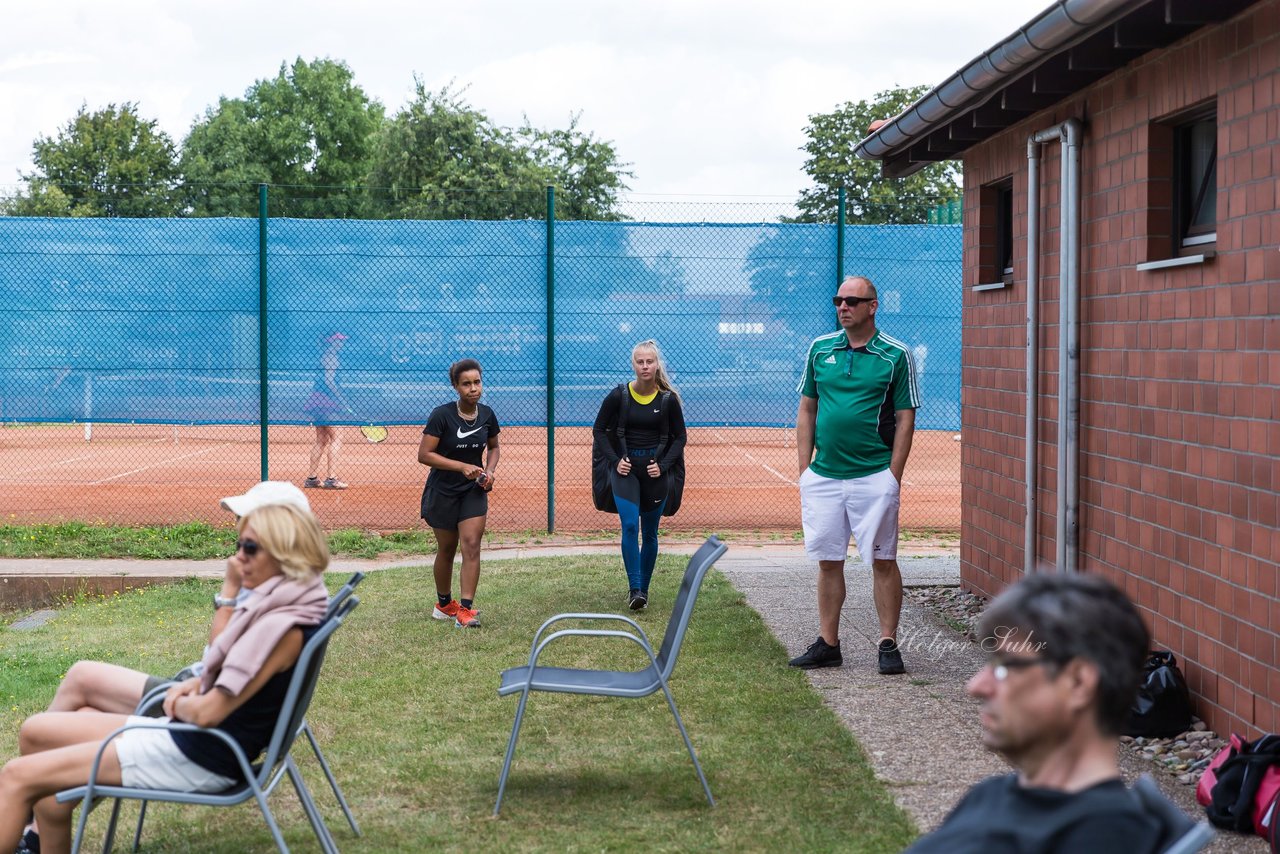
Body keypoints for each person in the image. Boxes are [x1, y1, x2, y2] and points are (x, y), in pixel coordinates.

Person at [0, 502, 330, 854]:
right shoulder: (290, 604)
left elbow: (208, 714)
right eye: (238, 545)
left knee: (16, 776)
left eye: (249, 548)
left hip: (199, 752)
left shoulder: (279, 627)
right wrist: (195, 686)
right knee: (44, 769)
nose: (238, 557)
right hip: (200, 742)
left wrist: (177, 701)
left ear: (284, 553)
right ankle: (36, 837)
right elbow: (230, 678)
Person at [904, 572, 1165, 853]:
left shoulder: (1103, 838)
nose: (976, 686)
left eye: (1006, 667)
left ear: (1078, 683)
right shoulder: (989, 795)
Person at [44, 481, 313, 716]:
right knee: (83, 713)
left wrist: (229, 591)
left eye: (245, 521)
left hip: (196, 699)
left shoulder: (268, 593)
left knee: (80, 678)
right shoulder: (288, 588)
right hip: (197, 690)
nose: (238, 529)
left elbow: (215, 662)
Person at [789, 275, 919, 674]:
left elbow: (905, 417)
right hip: (824, 477)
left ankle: (887, 643)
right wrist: (805, 471)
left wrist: (892, 476)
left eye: (852, 301)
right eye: (838, 300)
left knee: (882, 560)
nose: (843, 307)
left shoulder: (895, 355)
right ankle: (828, 644)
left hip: (873, 477)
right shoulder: (820, 349)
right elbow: (807, 408)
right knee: (828, 562)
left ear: (872, 306)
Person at [592, 339, 687, 611]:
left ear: (657, 365)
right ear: (632, 364)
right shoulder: (618, 395)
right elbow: (599, 431)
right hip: (626, 472)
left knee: (651, 532)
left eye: (650, 361)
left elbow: (680, 437)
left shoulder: (668, 400)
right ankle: (634, 589)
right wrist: (615, 461)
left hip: (655, 474)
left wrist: (664, 465)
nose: (645, 366)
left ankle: (644, 590)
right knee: (630, 526)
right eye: (640, 362)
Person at [417, 358, 500, 629]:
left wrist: (489, 471)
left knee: (472, 545)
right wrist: (461, 466)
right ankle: (444, 604)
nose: (473, 388)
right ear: (455, 386)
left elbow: (494, 447)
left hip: (473, 491)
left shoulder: (487, 414)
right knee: (447, 548)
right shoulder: (441, 415)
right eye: (466, 384)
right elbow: (425, 455)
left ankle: (465, 610)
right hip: (442, 491)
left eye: (477, 382)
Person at [304, 331, 349, 490]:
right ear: (332, 343)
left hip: (317, 400)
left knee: (321, 439)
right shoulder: (332, 358)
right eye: (338, 341)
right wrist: (342, 400)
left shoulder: (324, 356)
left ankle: (312, 478)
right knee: (337, 436)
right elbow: (329, 382)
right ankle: (332, 478)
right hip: (327, 401)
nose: (341, 343)